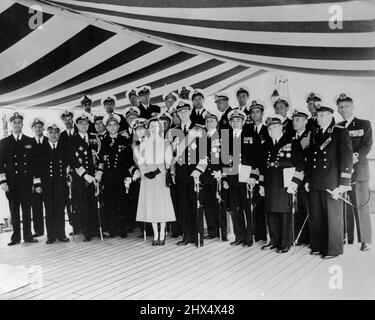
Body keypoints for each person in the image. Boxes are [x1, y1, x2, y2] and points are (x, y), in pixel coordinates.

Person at [306, 103, 353, 259]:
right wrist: (308, 179)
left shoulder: (340, 132)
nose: (318, 118)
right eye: (317, 115)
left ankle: (333, 249)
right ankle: (319, 246)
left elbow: (346, 158)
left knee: (332, 217)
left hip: (332, 182)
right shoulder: (315, 133)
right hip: (316, 181)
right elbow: (311, 159)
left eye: (322, 115)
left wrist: (343, 185)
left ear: (330, 116)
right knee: (317, 216)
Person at [260, 115, 305, 253]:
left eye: (274, 127)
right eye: (269, 129)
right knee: (271, 212)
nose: (272, 131)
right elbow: (262, 167)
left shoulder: (292, 142)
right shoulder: (266, 144)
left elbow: (301, 165)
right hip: (270, 183)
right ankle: (273, 240)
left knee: (285, 213)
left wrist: (295, 183)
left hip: (285, 183)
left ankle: (285, 243)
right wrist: (261, 185)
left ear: (281, 127)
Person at [336, 93, 372, 251]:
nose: (343, 109)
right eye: (340, 106)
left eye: (346, 106)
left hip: (359, 172)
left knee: (361, 205)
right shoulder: (337, 126)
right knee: (344, 206)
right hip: (342, 173)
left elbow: (367, 145)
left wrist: (351, 159)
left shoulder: (364, 124)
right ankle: (347, 237)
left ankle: (365, 241)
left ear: (353, 107)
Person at [0, 112, 41, 246]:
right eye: (14, 122)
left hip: (26, 182)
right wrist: (3, 181)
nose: (17, 125)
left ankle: (28, 236)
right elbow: (0, 164)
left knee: (26, 209)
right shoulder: (4, 142)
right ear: (11, 125)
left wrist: (36, 182)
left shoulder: (29, 141)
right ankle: (16, 237)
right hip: (12, 183)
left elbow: (35, 164)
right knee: (14, 210)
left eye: (19, 122)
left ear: (22, 124)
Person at [221, 109, 260, 247]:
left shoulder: (251, 135)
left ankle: (249, 237)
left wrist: (253, 176)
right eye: (233, 120)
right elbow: (224, 161)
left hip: (246, 177)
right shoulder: (226, 138)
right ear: (230, 123)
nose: (235, 123)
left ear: (243, 122)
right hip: (232, 178)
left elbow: (256, 158)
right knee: (235, 208)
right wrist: (224, 179)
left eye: (238, 120)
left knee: (247, 208)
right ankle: (239, 236)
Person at [134, 117, 176, 246]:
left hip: (160, 175)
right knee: (151, 204)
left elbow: (168, 162)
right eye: (151, 126)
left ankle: (162, 233)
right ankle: (155, 234)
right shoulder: (143, 144)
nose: (154, 128)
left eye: (156, 126)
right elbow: (140, 161)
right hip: (147, 177)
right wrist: (145, 172)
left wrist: (156, 172)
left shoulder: (165, 143)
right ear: (148, 128)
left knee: (161, 205)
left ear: (160, 128)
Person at [169, 100, 204, 246]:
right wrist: (172, 172)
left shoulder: (198, 129)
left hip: (194, 173)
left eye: (185, 111)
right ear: (177, 114)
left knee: (195, 205)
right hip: (181, 172)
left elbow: (205, 153)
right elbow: (172, 155)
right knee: (183, 206)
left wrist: (199, 170)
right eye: (180, 112)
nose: (183, 114)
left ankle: (198, 237)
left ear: (189, 111)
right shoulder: (174, 131)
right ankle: (187, 236)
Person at [98, 114, 134, 238]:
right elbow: (101, 161)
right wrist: (99, 175)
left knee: (122, 203)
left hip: (121, 177)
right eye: (110, 125)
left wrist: (129, 176)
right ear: (106, 127)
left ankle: (123, 229)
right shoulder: (103, 141)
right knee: (110, 204)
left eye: (115, 125)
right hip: (108, 178)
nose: (112, 127)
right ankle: (112, 230)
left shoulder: (124, 140)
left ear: (118, 126)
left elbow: (129, 160)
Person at [194, 112, 228, 241]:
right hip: (205, 176)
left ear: (217, 123)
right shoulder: (201, 138)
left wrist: (223, 174)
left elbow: (227, 159)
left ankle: (223, 233)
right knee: (208, 205)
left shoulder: (222, 137)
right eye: (207, 121)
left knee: (219, 205)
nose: (209, 123)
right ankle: (213, 231)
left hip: (217, 175)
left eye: (212, 121)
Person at [70, 112, 101, 241]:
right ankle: (87, 232)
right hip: (81, 179)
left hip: (95, 178)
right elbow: (73, 161)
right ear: (76, 125)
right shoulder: (72, 140)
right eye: (81, 123)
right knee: (83, 205)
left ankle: (96, 231)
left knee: (94, 204)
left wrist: (99, 172)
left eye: (86, 123)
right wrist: (85, 175)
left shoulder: (94, 138)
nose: (84, 125)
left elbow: (99, 156)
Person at [40, 124, 70, 244]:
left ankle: (61, 235)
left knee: (60, 210)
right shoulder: (42, 148)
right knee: (49, 211)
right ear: (47, 134)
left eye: (56, 132)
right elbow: (38, 167)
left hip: (61, 185)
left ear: (59, 134)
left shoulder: (64, 147)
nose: (54, 135)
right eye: (51, 132)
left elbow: (68, 165)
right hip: (47, 185)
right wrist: (38, 184)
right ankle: (51, 236)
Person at [247, 100, 269, 242]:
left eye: (257, 112)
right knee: (255, 202)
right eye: (253, 112)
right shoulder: (247, 130)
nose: (255, 115)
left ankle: (267, 234)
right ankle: (258, 234)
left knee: (265, 202)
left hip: (265, 171)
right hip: (251, 171)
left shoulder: (268, 129)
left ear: (262, 113)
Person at [292, 110, 311, 245]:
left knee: (308, 208)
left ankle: (311, 238)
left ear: (305, 121)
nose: (295, 122)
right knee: (297, 209)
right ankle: (300, 236)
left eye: (298, 120)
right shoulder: (291, 137)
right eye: (293, 119)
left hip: (306, 179)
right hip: (294, 177)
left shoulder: (310, 136)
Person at [59, 110, 78, 235]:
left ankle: (83, 225)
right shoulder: (61, 136)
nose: (67, 121)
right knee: (70, 200)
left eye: (69, 118)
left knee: (80, 198)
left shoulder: (79, 131)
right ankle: (75, 226)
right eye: (65, 119)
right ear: (63, 121)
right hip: (68, 172)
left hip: (81, 171)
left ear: (72, 119)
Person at [31, 117, 48, 238]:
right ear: (32, 129)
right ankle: (39, 230)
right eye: (35, 127)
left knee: (50, 205)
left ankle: (52, 229)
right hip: (35, 181)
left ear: (43, 128)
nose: (38, 128)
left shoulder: (49, 140)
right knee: (36, 206)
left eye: (40, 126)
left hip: (49, 179)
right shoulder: (29, 143)